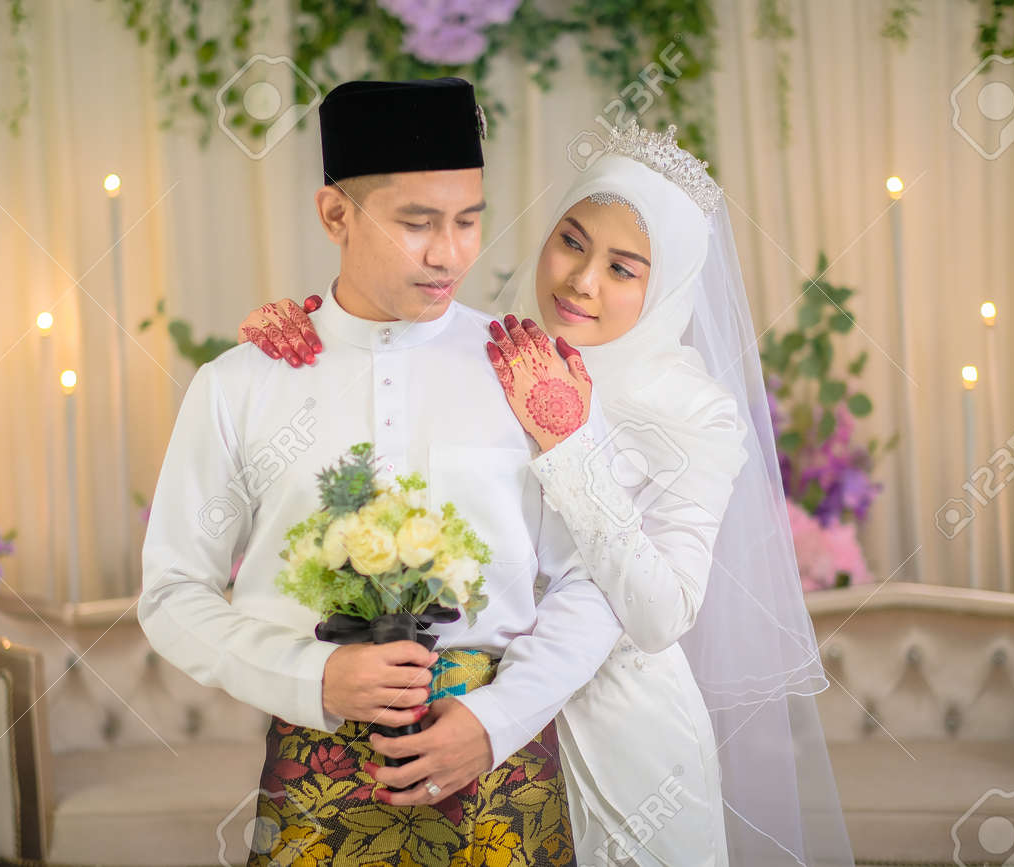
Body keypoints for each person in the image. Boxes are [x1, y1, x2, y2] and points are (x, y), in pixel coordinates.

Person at [240, 119, 856, 866]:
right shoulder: (491, 346)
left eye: (624, 268)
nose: (580, 280)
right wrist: (299, 347)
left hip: (622, 754)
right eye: (572, 240)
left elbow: (660, 612)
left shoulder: (696, 413)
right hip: (455, 725)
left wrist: (571, 443)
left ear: (668, 287)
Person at [139, 77, 625, 867]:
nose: (451, 253)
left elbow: (597, 578)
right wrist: (311, 675)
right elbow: (170, 593)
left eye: (469, 220)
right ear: (336, 214)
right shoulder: (243, 382)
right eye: (417, 223)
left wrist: (496, 720)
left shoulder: (529, 371)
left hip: (500, 769)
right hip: (317, 775)